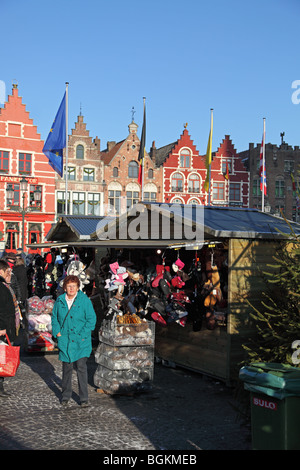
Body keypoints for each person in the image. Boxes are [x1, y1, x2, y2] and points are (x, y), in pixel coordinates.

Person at [51, 275, 96, 407]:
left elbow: (91, 320)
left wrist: (82, 334)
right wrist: (57, 333)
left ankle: (84, 398)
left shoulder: (84, 301)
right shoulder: (59, 300)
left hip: (81, 341)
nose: (71, 289)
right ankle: (66, 395)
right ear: (65, 287)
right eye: (69, 286)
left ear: (78, 287)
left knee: (81, 368)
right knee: (67, 369)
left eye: (74, 286)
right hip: (65, 340)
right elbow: (54, 318)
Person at [0, 260, 17, 397]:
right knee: (1, 358)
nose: (9, 275)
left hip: (4, 326)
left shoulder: (3, 286)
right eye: (7, 272)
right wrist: (2, 327)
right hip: (2, 329)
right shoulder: (1, 287)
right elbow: (2, 310)